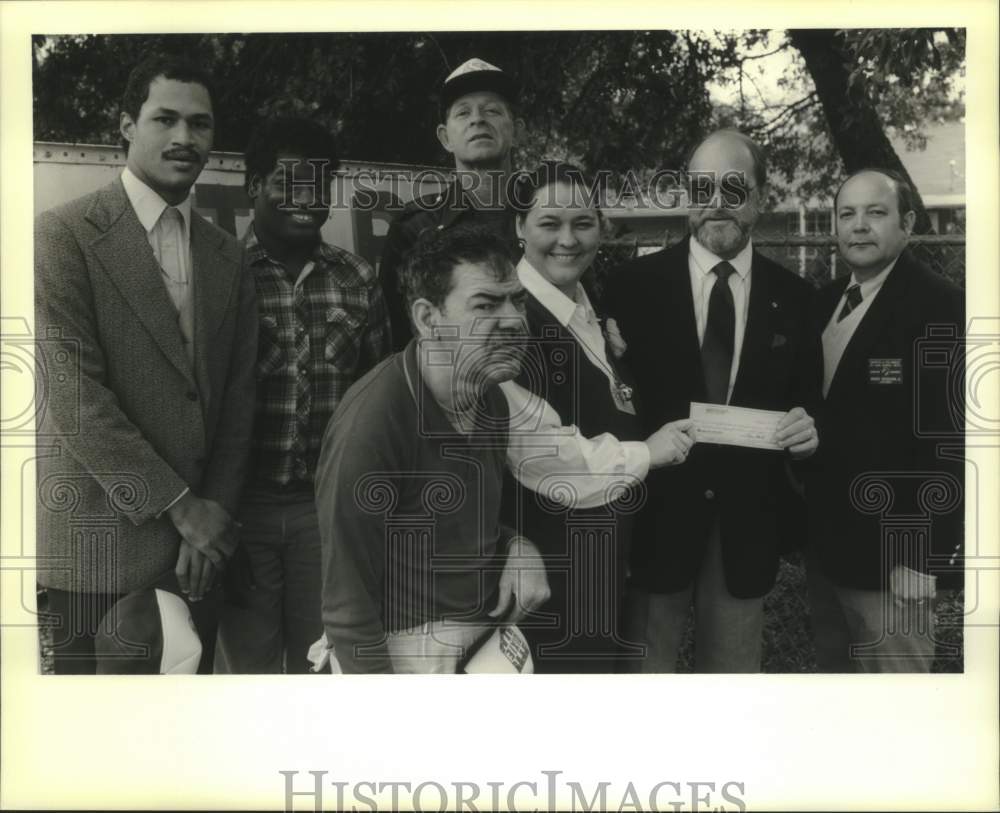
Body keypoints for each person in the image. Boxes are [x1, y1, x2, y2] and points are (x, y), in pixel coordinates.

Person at [314, 226, 695, 674]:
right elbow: (346, 607)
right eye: (486, 304)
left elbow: (461, 518)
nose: (514, 319)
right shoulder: (374, 422)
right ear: (426, 318)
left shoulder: (490, 394)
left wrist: (516, 544)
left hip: (482, 649)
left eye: (516, 300)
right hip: (402, 663)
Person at [34, 55, 257, 674]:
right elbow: (74, 399)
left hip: (194, 557)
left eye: (200, 124)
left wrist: (213, 519)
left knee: (175, 745)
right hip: (94, 547)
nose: (184, 138)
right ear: (126, 124)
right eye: (165, 119)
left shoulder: (226, 255)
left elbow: (238, 400)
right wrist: (186, 511)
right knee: (90, 752)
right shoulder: (61, 235)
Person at [605, 129, 823, 673]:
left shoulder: (797, 299)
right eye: (702, 188)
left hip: (746, 528)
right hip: (655, 522)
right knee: (643, 683)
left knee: (731, 690)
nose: (716, 203)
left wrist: (806, 433)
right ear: (685, 197)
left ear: (760, 196)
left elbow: (806, 406)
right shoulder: (631, 287)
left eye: (733, 187)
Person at [214, 117, 392, 673]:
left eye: (319, 185)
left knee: (323, 668)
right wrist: (218, 517)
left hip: (327, 513)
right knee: (251, 674)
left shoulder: (358, 278)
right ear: (253, 186)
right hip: (242, 513)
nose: (306, 198)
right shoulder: (221, 274)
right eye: (288, 182)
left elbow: (378, 404)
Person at [506, 161, 694, 672]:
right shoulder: (509, 319)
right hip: (547, 573)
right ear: (519, 228)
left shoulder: (585, 307)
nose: (567, 239)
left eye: (583, 223)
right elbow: (539, 455)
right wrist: (647, 453)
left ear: (602, 228)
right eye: (549, 223)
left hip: (601, 567)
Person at [805, 168, 964, 673]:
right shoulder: (824, 302)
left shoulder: (943, 306)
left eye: (876, 213)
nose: (859, 227)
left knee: (899, 712)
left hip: (897, 565)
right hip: (828, 553)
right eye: (847, 214)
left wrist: (924, 555)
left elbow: (953, 442)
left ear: (907, 223)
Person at [378, 57, 524, 351]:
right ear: (445, 137)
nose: (478, 119)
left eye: (492, 110)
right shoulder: (416, 228)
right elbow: (402, 337)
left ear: (518, 131)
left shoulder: (551, 216)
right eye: (463, 113)